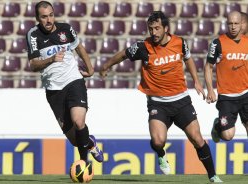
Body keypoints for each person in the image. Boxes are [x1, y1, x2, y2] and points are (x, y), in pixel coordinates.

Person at [100, 11, 222, 183]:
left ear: (166, 28)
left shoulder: (180, 43)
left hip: (181, 101)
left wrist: (196, 81)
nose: (154, 33)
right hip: (158, 103)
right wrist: (105, 66)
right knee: (158, 141)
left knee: (197, 138)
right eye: (151, 29)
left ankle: (213, 176)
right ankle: (160, 154)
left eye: (157, 28)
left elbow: (188, 60)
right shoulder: (143, 47)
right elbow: (122, 55)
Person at [25, 1, 103, 163]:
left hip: (73, 80)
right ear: (38, 18)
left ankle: (84, 162)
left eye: (51, 15)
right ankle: (90, 143)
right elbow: (33, 65)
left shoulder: (66, 29)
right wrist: (51, 59)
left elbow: (79, 48)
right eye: (44, 17)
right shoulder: (33, 35)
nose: (49, 20)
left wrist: (90, 69)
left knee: (78, 120)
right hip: (53, 90)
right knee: (75, 140)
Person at [205, 11, 248, 143]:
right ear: (226, 24)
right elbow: (208, 67)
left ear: (242, 24)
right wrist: (210, 90)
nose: (233, 26)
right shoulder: (217, 43)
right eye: (230, 23)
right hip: (227, 97)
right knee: (228, 135)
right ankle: (218, 126)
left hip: (246, 93)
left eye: (236, 23)